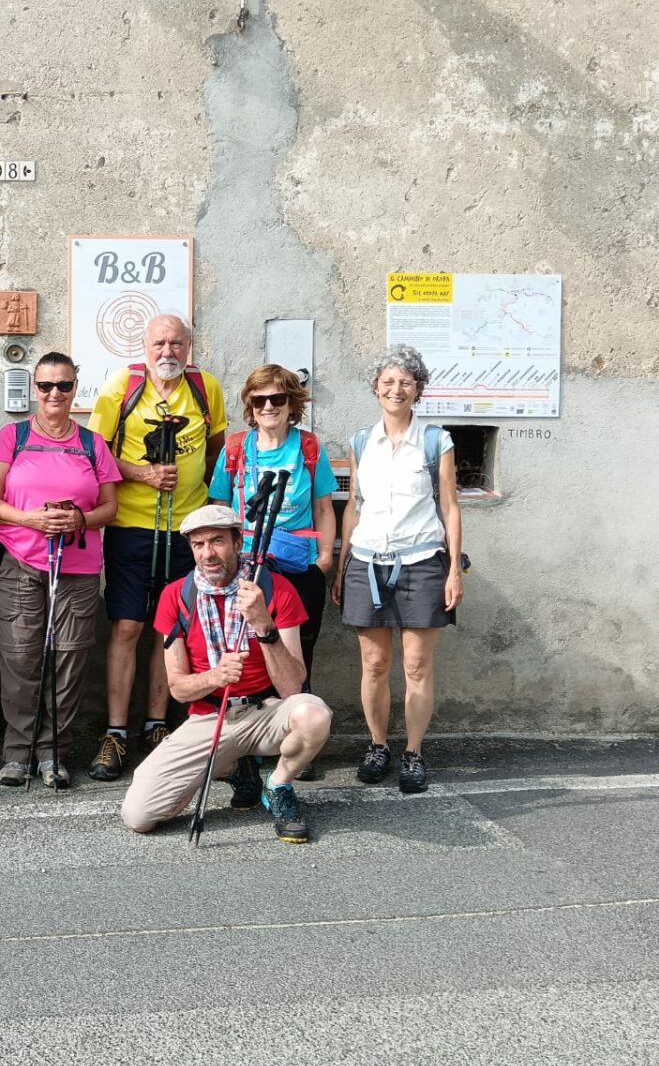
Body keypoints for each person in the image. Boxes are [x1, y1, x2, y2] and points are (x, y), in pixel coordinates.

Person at [120, 504, 332, 842]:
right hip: (210, 717)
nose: (208, 553)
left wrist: (264, 623)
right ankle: (235, 768)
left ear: (237, 542)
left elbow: (293, 685)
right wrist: (215, 677)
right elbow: (178, 688)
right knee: (139, 816)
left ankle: (278, 786)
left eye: (217, 541)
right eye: (198, 544)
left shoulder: (274, 589)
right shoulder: (176, 596)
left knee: (314, 714)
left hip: (266, 711)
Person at [85, 314, 227, 781]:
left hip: (186, 532)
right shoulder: (119, 388)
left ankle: (157, 725)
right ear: (145, 346)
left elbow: (215, 451)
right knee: (127, 626)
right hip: (131, 526)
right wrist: (144, 474)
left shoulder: (205, 387)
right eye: (159, 343)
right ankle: (116, 732)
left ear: (189, 347)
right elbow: (97, 454)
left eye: (177, 344)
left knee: (174, 630)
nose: (168, 352)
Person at [0, 351, 121, 787]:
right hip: (21, 561)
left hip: (77, 565)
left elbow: (110, 506)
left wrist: (79, 519)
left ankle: (53, 750)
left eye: (63, 385)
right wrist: (31, 519)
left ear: (75, 388)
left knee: (68, 658)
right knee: (20, 656)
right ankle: (18, 750)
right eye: (45, 386)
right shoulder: (13, 436)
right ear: (34, 390)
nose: (54, 394)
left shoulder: (92, 443)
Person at [330, 344, 463, 795]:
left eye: (405, 381)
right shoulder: (361, 442)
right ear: (375, 389)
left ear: (418, 389)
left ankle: (414, 752)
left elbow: (450, 505)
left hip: (422, 563)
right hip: (367, 562)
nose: (396, 389)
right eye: (388, 381)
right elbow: (354, 507)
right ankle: (378, 745)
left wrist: (454, 571)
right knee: (374, 663)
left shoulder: (435, 440)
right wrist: (343, 562)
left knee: (418, 665)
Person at [208, 364, 338, 686]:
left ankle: (298, 720)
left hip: (300, 566)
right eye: (259, 400)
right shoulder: (236, 449)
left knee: (300, 650)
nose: (268, 407)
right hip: (247, 566)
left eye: (277, 399)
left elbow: (323, 508)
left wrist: (323, 560)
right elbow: (220, 508)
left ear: (291, 403)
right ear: (251, 407)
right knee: (250, 646)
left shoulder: (309, 448)